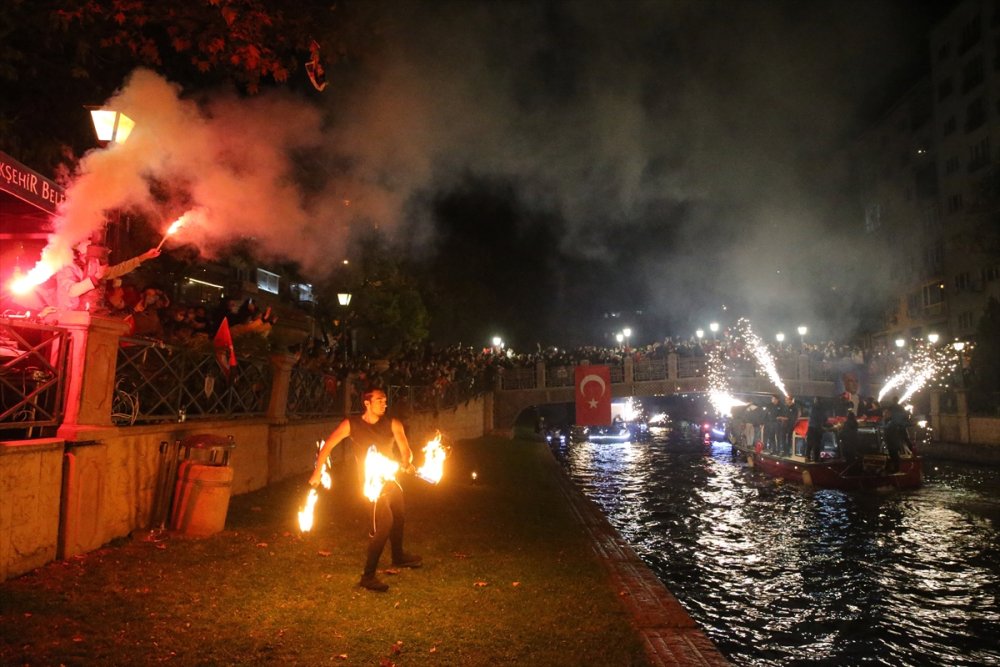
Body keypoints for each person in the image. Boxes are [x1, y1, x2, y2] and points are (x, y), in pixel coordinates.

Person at [309, 387, 422, 592]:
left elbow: (406, 449)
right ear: (367, 403)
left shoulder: (393, 423)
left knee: (400, 515)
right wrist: (317, 473)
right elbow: (328, 447)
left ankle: (398, 556)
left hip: (391, 481)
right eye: (379, 400)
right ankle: (368, 576)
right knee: (385, 524)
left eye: (385, 400)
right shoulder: (351, 424)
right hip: (372, 486)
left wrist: (407, 462)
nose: (384, 404)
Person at [52, 241, 160, 315]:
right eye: (98, 258)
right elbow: (72, 291)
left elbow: (121, 268)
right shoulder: (68, 268)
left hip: (84, 316)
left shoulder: (95, 269)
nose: (101, 261)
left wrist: (145, 256)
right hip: (64, 318)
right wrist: (96, 277)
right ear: (83, 256)